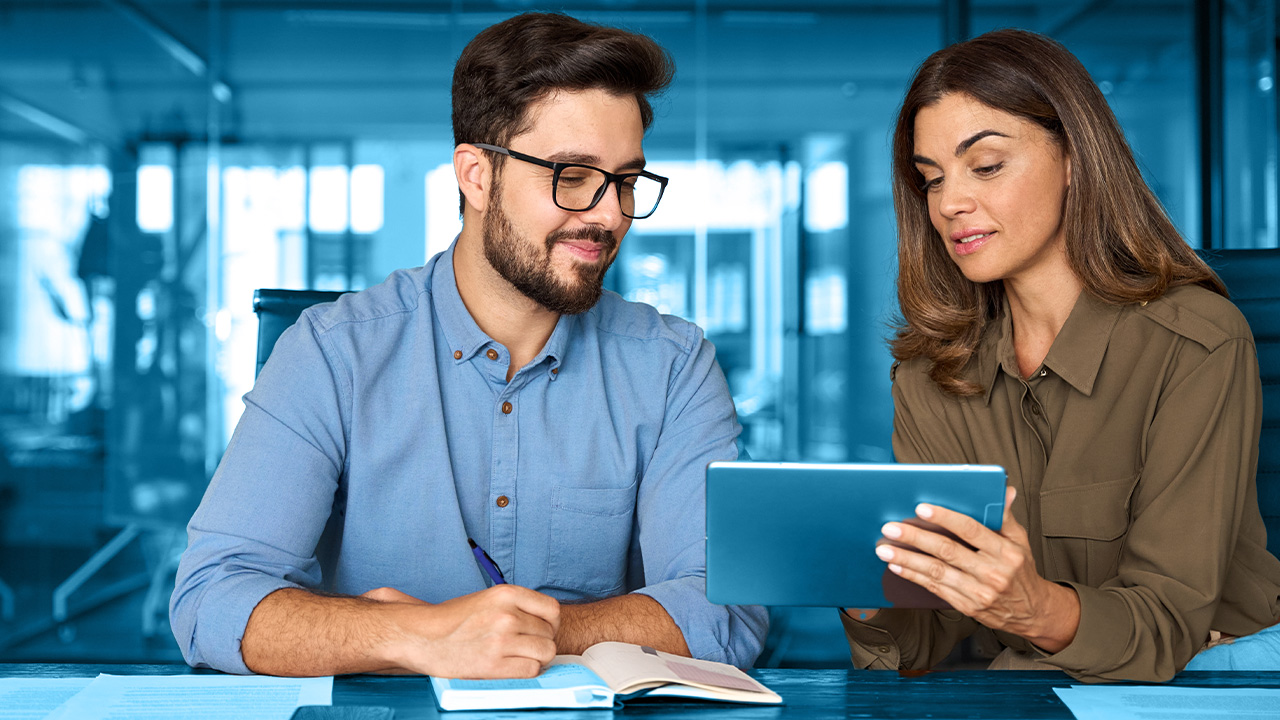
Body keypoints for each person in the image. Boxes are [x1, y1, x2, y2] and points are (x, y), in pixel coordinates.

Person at [170, 12, 767, 678]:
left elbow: (727, 611)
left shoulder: (672, 365)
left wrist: (525, 632)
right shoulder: (331, 353)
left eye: (625, 180)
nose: (609, 214)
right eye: (572, 175)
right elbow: (212, 602)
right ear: (476, 176)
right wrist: (423, 635)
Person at [842, 28, 1280, 683]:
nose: (950, 203)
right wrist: (867, 589)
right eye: (930, 180)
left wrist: (1029, 609)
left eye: (985, 165)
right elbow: (923, 644)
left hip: (1215, 682)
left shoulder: (1196, 341)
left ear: (1075, 158)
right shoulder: (932, 375)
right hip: (1029, 684)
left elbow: (1167, 628)